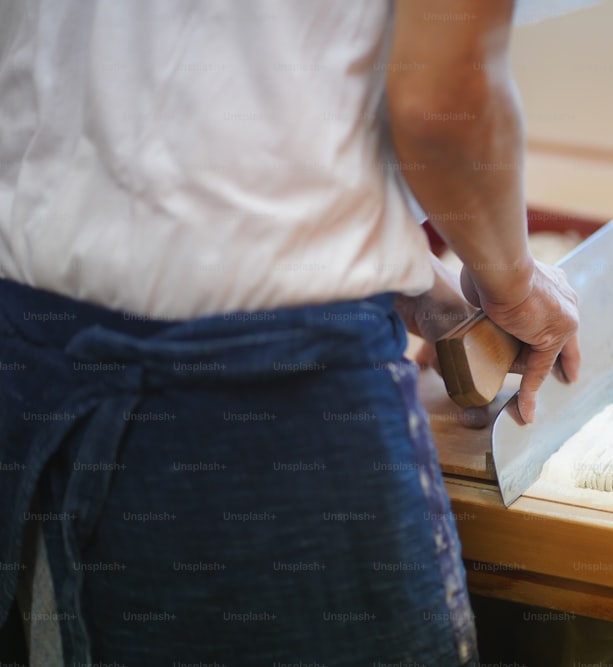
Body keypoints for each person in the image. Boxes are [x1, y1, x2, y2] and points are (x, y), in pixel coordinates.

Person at [0, 1, 580, 665]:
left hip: (32, 379)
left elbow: (154, 110)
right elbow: (442, 106)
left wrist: (393, 264)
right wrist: (515, 284)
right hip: (269, 415)